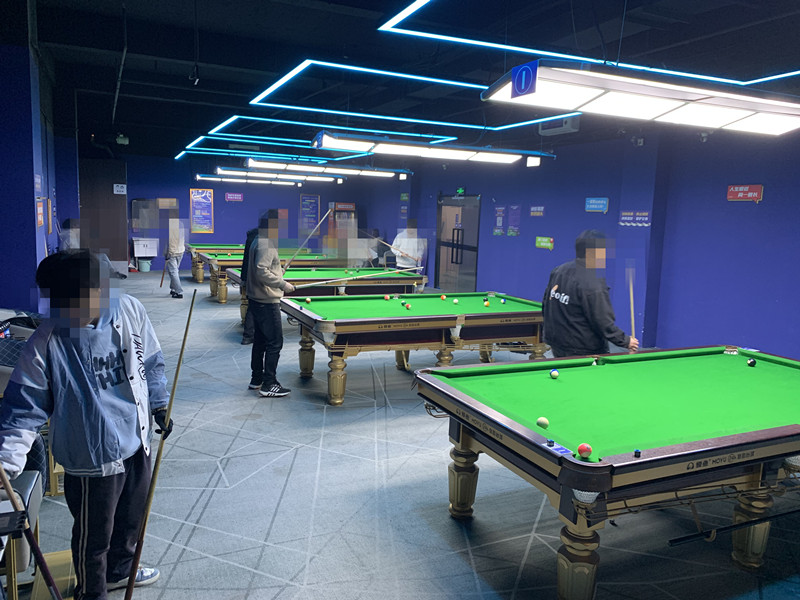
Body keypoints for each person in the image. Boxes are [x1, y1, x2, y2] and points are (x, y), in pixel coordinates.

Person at [0, 250, 173, 600]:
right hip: (92, 456)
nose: (63, 311)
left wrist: (158, 403)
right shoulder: (46, 343)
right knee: (94, 539)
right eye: (56, 303)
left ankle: (119, 573)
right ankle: (91, 592)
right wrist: (5, 461)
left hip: (136, 440)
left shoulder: (129, 310)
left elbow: (152, 361)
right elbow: (23, 411)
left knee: (131, 520)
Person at [542, 230, 639, 357]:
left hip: (557, 344)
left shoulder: (559, 270)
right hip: (583, 350)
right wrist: (626, 341)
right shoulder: (593, 282)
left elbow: (546, 305)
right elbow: (602, 321)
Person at [247, 211, 296, 397]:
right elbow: (261, 271)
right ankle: (269, 384)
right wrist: (282, 284)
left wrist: (278, 270)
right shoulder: (266, 243)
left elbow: (263, 268)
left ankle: (256, 379)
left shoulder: (258, 239)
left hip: (256, 299)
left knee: (260, 341)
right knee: (275, 342)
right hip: (267, 301)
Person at [239, 226, 259, 345]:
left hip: (248, 276)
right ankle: (250, 335)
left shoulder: (253, 236)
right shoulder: (261, 239)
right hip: (256, 279)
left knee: (252, 305)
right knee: (255, 306)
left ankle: (248, 335)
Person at [164, 211, 185, 298]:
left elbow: (171, 241)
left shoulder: (170, 226)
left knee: (173, 272)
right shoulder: (181, 223)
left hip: (173, 252)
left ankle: (179, 292)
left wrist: (168, 254)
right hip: (181, 250)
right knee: (175, 271)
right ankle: (173, 289)